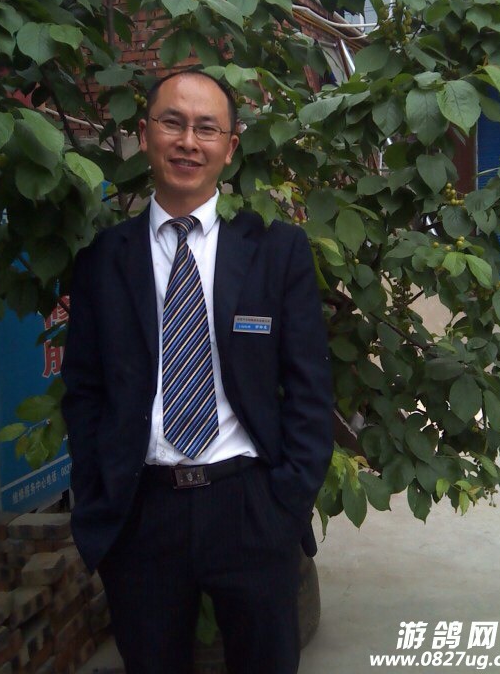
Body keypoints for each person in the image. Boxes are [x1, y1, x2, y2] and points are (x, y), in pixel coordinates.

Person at [61, 70, 335, 674]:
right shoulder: (104, 260)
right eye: (173, 123)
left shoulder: (276, 251)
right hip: (142, 513)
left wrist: (286, 504)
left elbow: (310, 391)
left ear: (229, 147)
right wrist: (99, 492)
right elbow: (84, 390)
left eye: (206, 128)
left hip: (250, 507)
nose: (188, 141)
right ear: (145, 135)